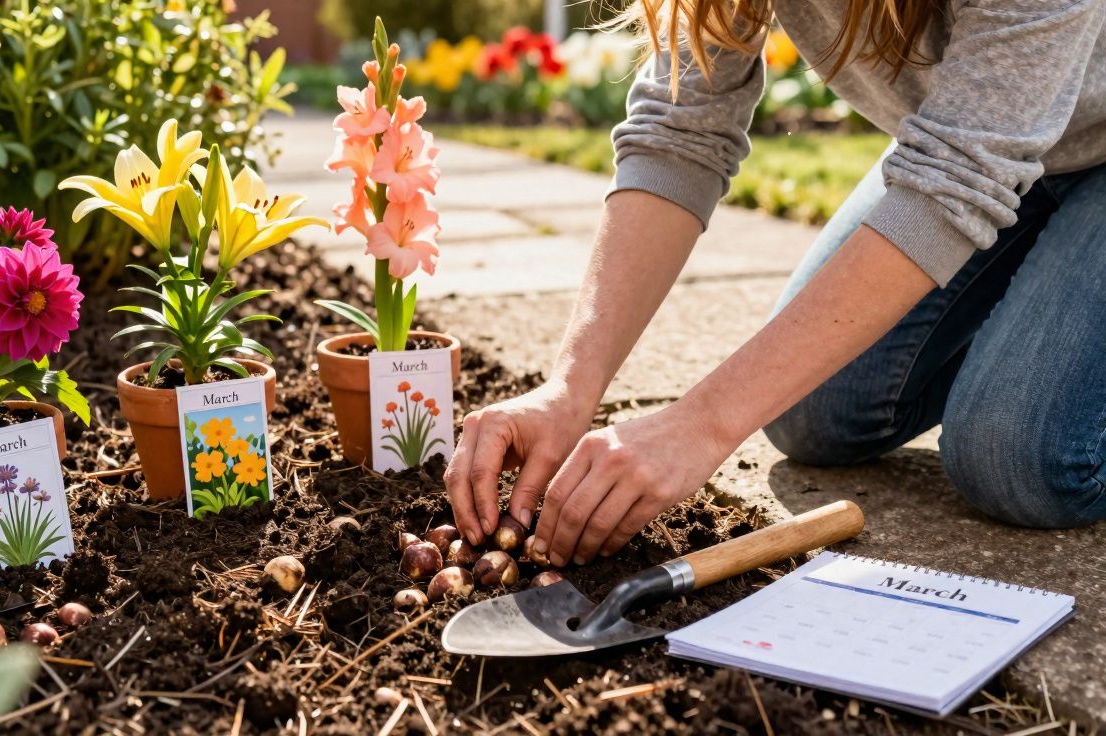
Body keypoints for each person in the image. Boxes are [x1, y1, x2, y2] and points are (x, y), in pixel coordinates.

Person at [444, 0, 1106, 568]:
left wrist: (700, 424)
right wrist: (570, 389)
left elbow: (955, 181)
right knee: (811, 411)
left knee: (1019, 459)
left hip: (1030, 150)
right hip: (991, 149)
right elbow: (680, 130)